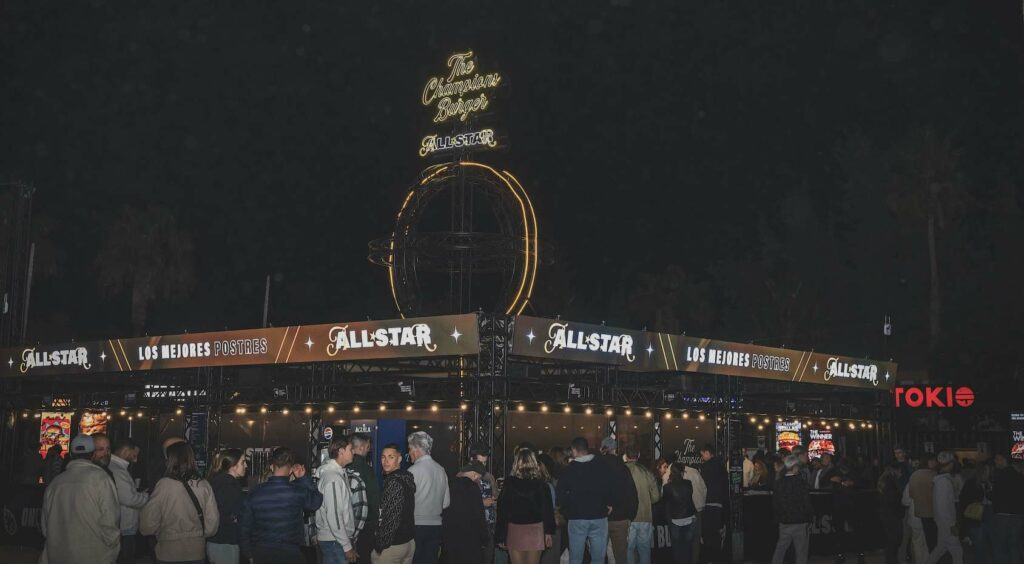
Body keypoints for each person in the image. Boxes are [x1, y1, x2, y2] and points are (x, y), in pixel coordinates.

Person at [40, 434, 120, 563]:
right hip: (93, 556)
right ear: (93, 454)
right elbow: (110, 523)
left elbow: (45, 526)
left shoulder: (56, 483)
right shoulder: (102, 479)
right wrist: (112, 551)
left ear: (71, 454)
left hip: (58, 556)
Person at [140, 441, 220, 564]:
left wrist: (159, 532)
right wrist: (198, 534)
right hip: (196, 551)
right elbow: (212, 524)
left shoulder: (164, 485)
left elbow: (148, 524)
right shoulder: (203, 485)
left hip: (168, 552)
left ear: (170, 459)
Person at [240, 447, 323, 563]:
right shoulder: (297, 491)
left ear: (271, 467)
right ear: (290, 470)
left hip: (262, 552)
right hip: (290, 553)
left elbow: (245, 527)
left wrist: (249, 554)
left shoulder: (255, 493)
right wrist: (304, 478)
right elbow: (316, 502)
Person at [556, 437, 614, 564]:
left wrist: (567, 511)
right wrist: (609, 503)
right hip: (599, 516)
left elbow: (560, 496)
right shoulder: (602, 465)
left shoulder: (569, 469)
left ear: (574, 450)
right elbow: (609, 486)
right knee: (598, 558)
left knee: (576, 558)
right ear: (586, 449)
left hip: (577, 518)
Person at [496, 450, 556, 564]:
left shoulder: (509, 485)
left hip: (515, 530)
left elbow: (502, 512)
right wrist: (548, 532)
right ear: (534, 463)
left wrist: (501, 536)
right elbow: (547, 512)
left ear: (516, 464)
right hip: (536, 531)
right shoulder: (542, 485)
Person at [407, 431, 450, 564]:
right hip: (436, 527)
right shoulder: (441, 470)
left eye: (409, 449)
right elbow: (446, 503)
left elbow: (405, 504)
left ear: (416, 449)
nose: (409, 453)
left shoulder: (412, 471)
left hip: (415, 526)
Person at [317, 436, 359, 564]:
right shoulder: (333, 478)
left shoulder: (337, 474)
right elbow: (334, 516)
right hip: (334, 541)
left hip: (336, 540)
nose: (354, 452)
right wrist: (347, 546)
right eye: (351, 449)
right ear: (341, 451)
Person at [599, 437, 639, 564]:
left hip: (599, 518)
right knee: (621, 556)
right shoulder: (623, 468)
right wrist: (630, 516)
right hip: (620, 518)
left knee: (598, 556)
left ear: (602, 449)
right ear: (615, 450)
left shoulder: (597, 465)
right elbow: (632, 494)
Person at [375, 443, 417, 563]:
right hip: (408, 542)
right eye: (383, 457)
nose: (386, 461)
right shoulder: (405, 478)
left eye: (390, 457)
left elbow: (392, 517)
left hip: (394, 545)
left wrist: (381, 544)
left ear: (399, 459)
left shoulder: (394, 482)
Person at [110, 438, 150, 564]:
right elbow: (129, 499)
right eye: (134, 455)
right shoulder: (117, 470)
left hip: (124, 525)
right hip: (124, 527)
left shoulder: (117, 468)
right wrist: (146, 496)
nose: (136, 459)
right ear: (126, 451)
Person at [443, 461, 491, 564]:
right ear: (474, 474)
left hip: (451, 538)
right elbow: (479, 516)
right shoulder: (473, 488)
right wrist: (484, 538)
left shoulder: (450, 484)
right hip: (470, 541)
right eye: (479, 477)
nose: (479, 480)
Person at [207, 448, 247, 564]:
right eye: (243, 462)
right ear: (233, 466)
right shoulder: (228, 486)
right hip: (225, 542)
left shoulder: (219, 482)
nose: (246, 466)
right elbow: (230, 515)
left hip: (218, 541)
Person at [771, 454, 813, 564]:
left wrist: (779, 518)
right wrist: (809, 518)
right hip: (800, 521)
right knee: (801, 552)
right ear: (795, 467)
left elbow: (776, 504)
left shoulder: (779, 483)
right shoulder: (802, 483)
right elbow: (807, 503)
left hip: (785, 522)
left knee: (780, 549)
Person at [924, 452, 963, 564]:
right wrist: (951, 524)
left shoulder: (941, 480)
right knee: (957, 551)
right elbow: (943, 507)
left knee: (940, 549)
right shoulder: (944, 482)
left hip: (943, 522)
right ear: (950, 464)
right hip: (946, 523)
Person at [624, 446, 661, 564]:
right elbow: (656, 497)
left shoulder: (622, 471)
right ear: (638, 455)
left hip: (628, 517)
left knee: (628, 550)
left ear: (626, 456)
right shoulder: (647, 472)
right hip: (645, 517)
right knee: (644, 550)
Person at [350, 433, 382, 564]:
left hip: (344, 526)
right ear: (362, 448)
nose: (369, 449)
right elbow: (374, 499)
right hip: (365, 526)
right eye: (368, 446)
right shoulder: (367, 470)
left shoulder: (343, 467)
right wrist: (376, 524)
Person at [990, 452, 1024, 564]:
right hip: (1018, 515)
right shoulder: (1019, 476)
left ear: (1004, 460)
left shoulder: (1000, 475)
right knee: (1014, 547)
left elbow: (994, 495)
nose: (995, 461)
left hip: (1002, 515)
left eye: (997, 459)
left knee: (1000, 548)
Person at [699, 443, 729, 563]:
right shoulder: (721, 466)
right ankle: (717, 559)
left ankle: (710, 559)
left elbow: (703, 487)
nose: (702, 457)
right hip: (720, 504)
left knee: (707, 534)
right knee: (716, 533)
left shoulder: (705, 467)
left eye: (702, 454)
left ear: (707, 452)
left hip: (708, 502)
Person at [662, 461, 697, 564]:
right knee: (687, 549)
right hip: (689, 518)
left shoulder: (667, 487)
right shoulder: (688, 484)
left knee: (677, 550)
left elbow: (666, 504)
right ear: (682, 472)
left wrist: (669, 520)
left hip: (675, 520)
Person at [470, 442, 499, 564]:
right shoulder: (464, 477)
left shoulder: (489, 477)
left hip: (489, 527)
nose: (483, 466)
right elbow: (460, 504)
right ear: (472, 459)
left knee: (488, 559)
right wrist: (482, 503)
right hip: (473, 527)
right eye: (480, 463)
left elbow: (495, 498)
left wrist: (494, 500)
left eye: (485, 463)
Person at [959, 460, 992, 564]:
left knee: (986, 548)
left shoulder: (988, 483)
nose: (989, 472)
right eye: (987, 470)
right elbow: (963, 500)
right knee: (980, 549)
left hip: (988, 517)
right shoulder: (972, 483)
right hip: (976, 519)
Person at [909, 454, 939, 553]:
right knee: (937, 540)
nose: (936, 462)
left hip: (921, 512)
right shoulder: (934, 475)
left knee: (929, 540)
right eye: (934, 460)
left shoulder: (914, 475)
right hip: (935, 511)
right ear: (928, 461)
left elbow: (911, 494)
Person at [877, 461, 906, 564]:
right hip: (892, 514)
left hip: (887, 514)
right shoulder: (891, 482)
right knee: (895, 539)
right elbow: (893, 500)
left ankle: (891, 560)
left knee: (891, 539)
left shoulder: (885, 480)